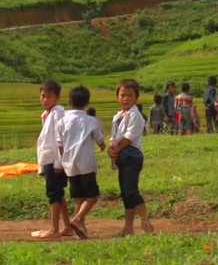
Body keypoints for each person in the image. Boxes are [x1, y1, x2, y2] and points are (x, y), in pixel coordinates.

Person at [56, 85, 106, 240]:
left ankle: (82, 230)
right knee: (92, 196)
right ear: (87, 102)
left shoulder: (62, 122)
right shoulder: (90, 120)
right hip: (86, 162)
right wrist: (105, 147)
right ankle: (77, 220)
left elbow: (60, 145)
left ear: (69, 101)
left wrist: (64, 162)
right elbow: (99, 140)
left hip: (69, 164)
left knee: (78, 197)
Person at [108, 78, 153, 236]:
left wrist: (117, 148)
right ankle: (128, 227)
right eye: (122, 95)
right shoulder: (118, 116)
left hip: (132, 156)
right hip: (122, 157)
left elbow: (129, 137)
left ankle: (146, 222)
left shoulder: (135, 115)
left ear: (136, 97)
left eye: (129, 95)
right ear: (117, 96)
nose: (125, 98)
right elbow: (114, 137)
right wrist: (111, 148)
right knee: (126, 192)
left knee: (131, 190)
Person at [32, 80, 72, 239]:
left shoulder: (58, 113)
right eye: (43, 96)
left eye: (49, 96)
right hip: (48, 158)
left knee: (53, 193)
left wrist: (58, 162)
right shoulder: (47, 114)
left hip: (54, 159)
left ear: (57, 97)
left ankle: (54, 229)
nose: (45, 99)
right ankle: (67, 226)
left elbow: (59, 140)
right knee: (58, 193)